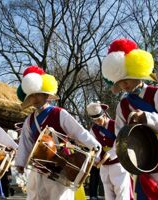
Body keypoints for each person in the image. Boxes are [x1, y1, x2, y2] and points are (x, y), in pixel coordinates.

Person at [101, 38, 158, 200]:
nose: (124, 84)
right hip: (141, 158)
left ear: (138, 71)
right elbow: (120, 135)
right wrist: (117, 154)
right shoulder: (123, 105)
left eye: (126, 77)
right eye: (119, 81)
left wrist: (145, 117)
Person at [14, 66, 102, 200]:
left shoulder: (59, 113)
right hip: (39, 168)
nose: (35, 98)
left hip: (61, 166)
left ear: (46, 94)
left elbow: (79, 132)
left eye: (38, 93)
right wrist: (20, 163)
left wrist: (95, 149)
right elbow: (25, 143)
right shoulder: (29, 120)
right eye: (31, 95)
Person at [86, 101, 132, 200]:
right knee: (108, 194)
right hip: (104, 167)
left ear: (104, 115)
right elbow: (93, 145)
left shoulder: (116, 124)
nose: (97, 122)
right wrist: (96, 159)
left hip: (118, 164)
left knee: (121, 193)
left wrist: (109, 154)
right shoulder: (94, 129)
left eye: (99, 120)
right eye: (95, 121)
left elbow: (121, 142)